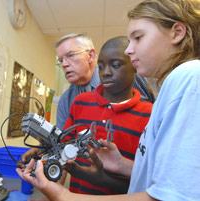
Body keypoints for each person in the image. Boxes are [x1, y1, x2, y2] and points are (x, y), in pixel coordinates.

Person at [16, 0, 200, 200]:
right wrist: (123, 165)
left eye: (138, 37)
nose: (130, 50)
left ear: (177, 33)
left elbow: (171, 195)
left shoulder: (188, 77)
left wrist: (64, 196)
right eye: (61, 61)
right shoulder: (74, 98)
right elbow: (158, 174)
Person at [60, 36, 152, 195]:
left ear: (135, 65)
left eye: (115, 65)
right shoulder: (80, 102)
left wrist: (103, 179)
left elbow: (149, 181)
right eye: (101, 67)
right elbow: (63, 148)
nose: (106, 73)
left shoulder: (150, 115)